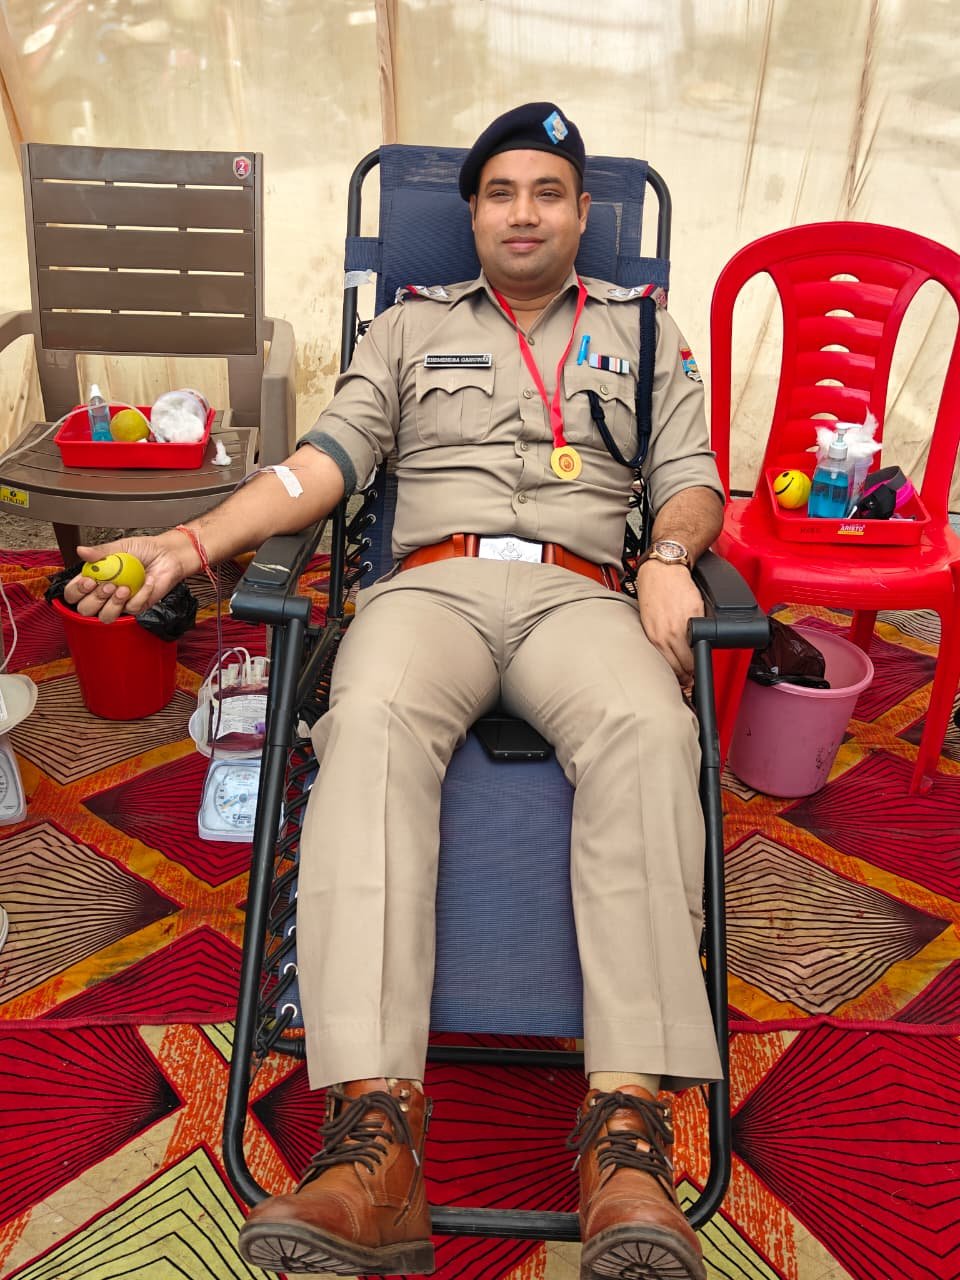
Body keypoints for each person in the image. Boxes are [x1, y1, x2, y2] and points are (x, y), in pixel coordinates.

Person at [66, 103, 725, 1280]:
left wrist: (670, 557)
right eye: (501, 192)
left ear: (583, 213)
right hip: (432, 587)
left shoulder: (644, 327)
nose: (523, 212)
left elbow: (691, 479)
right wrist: (191, 540)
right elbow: (319, 465)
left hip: (582, 593)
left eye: (549, 191)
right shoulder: (409, 326)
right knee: (363, 723)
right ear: (472, 215)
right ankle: (377, 1143)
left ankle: (625, 1138)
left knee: (649, 728)